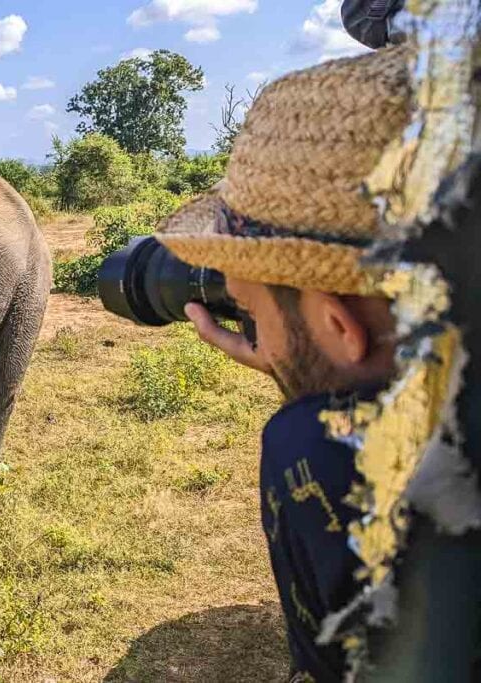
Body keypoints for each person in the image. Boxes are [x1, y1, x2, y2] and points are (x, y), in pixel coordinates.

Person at [153, 46, 412, 681]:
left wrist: (307, 396)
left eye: (247, 304)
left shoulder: (322, 455)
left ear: (337, 322)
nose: (245, 323)